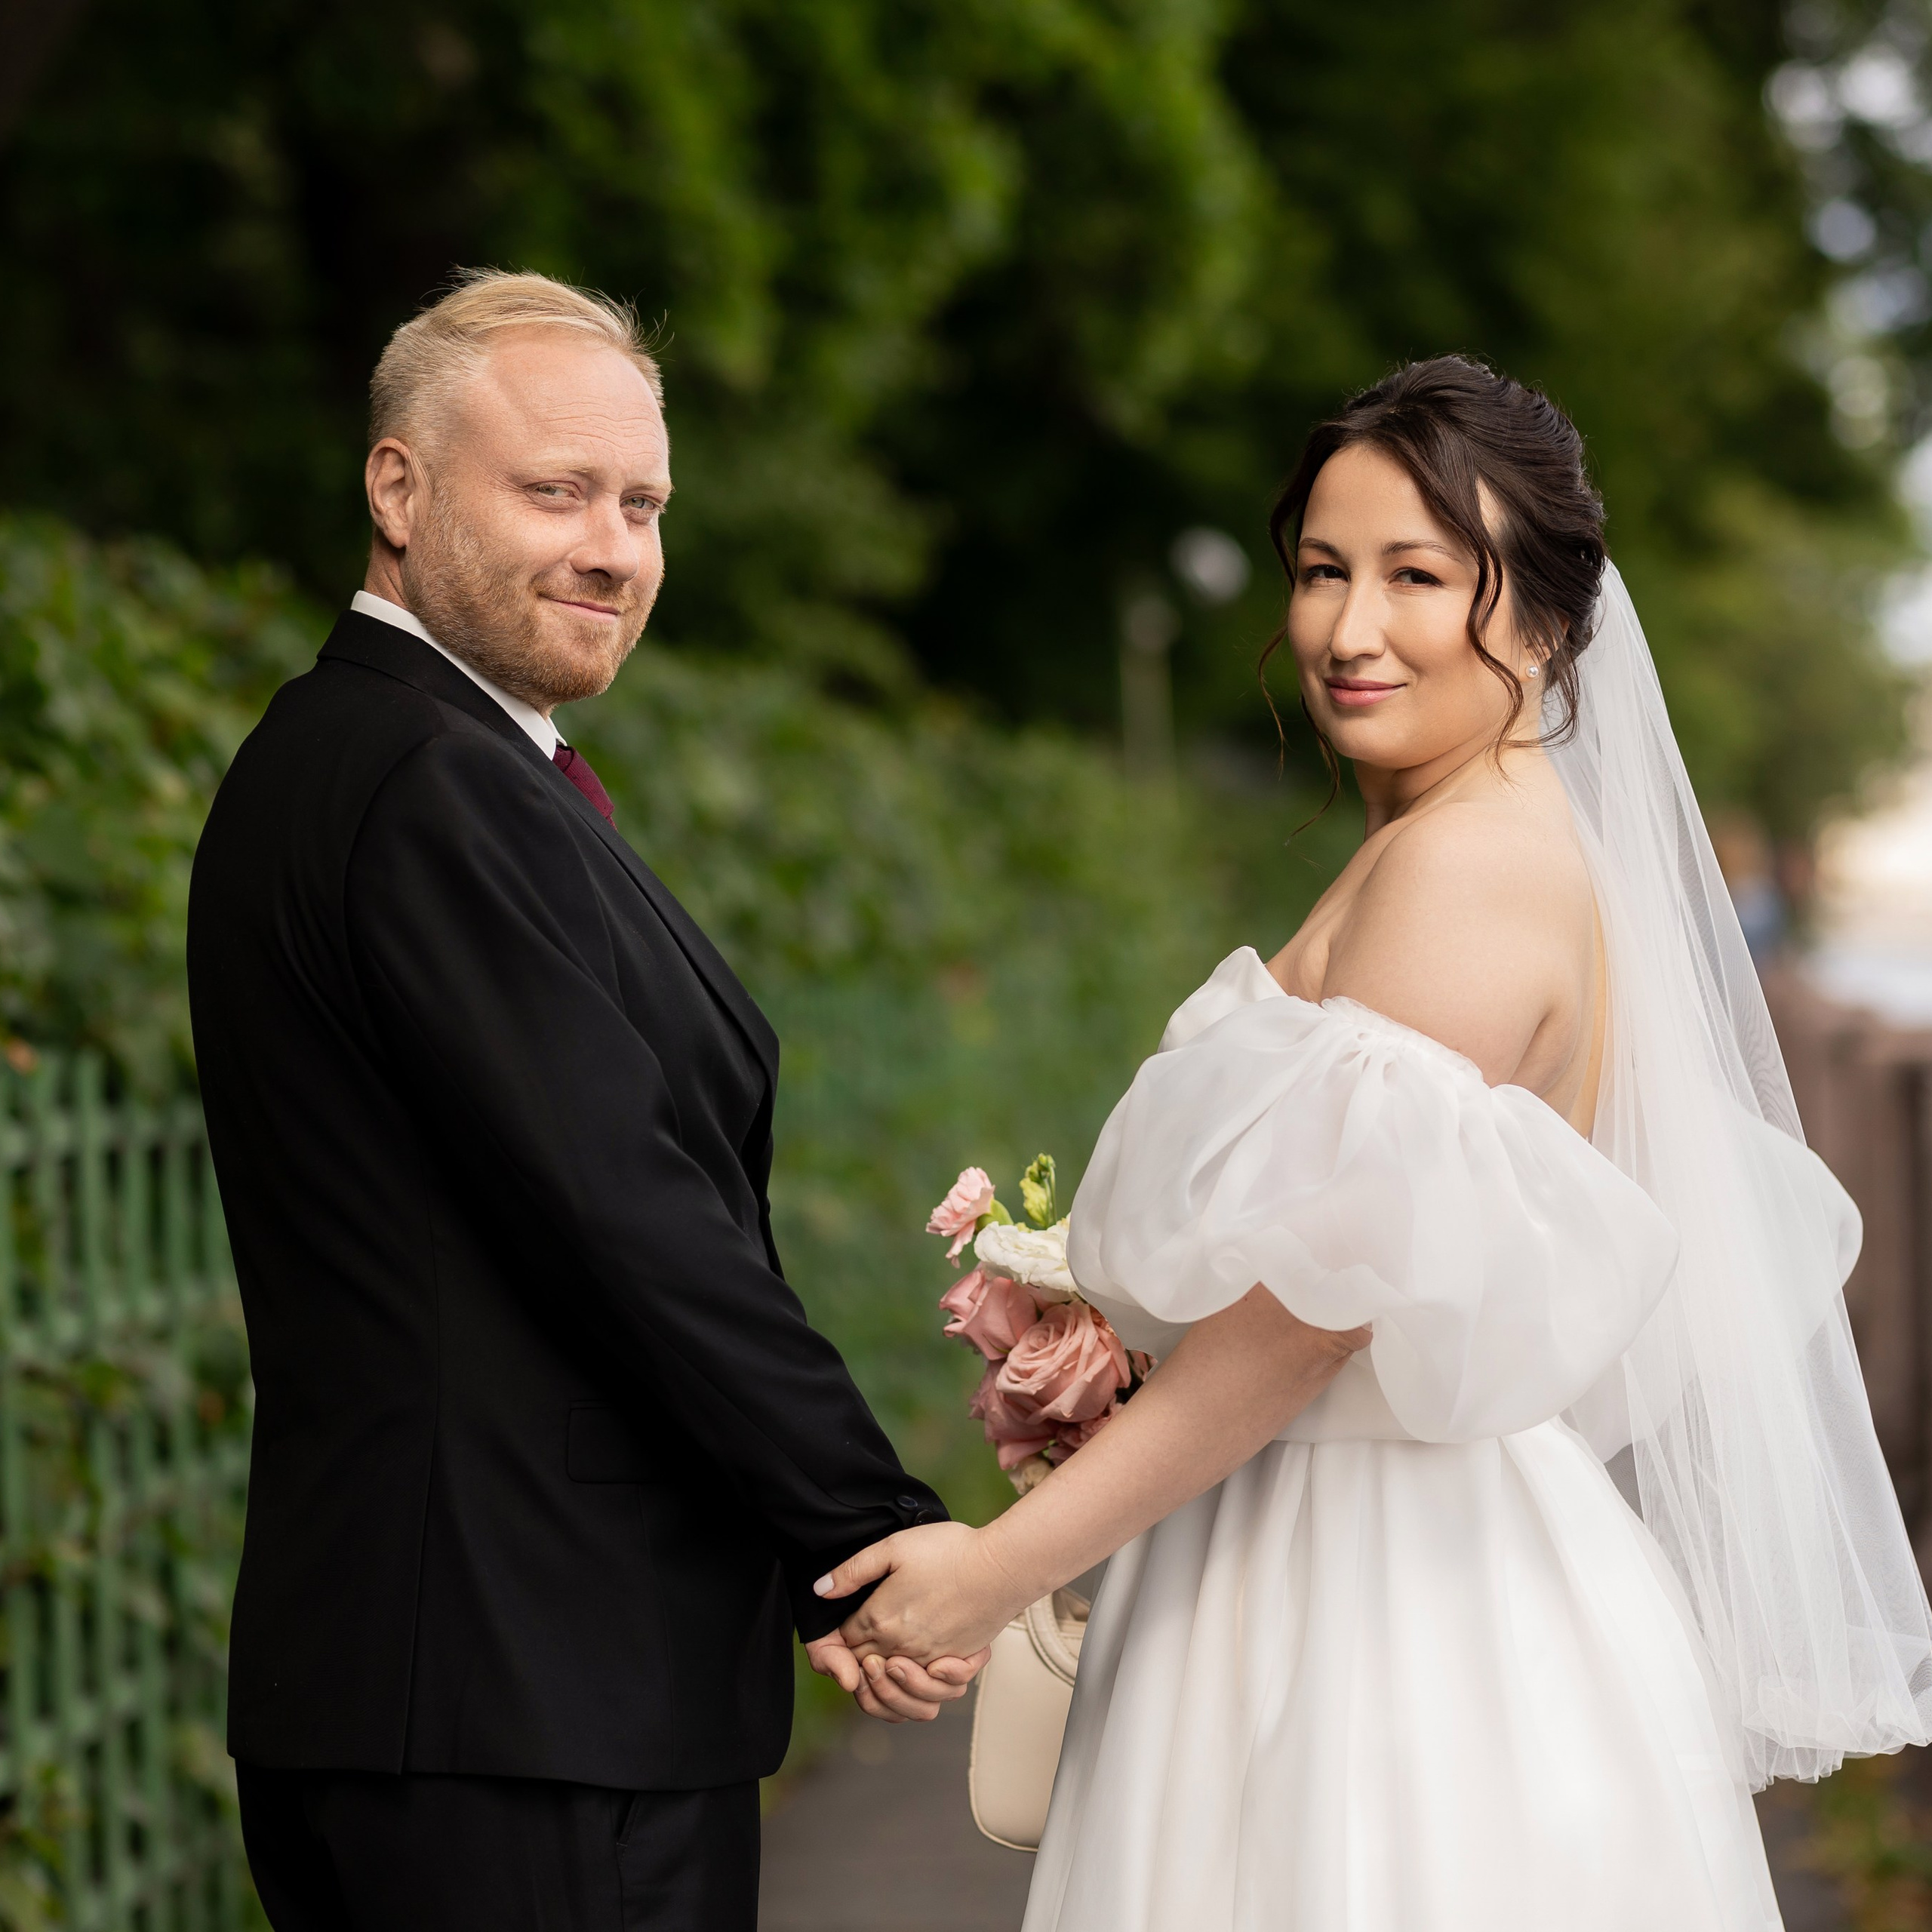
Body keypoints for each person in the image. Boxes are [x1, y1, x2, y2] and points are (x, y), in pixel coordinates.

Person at [820, 357, 1932, 1930]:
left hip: (1376, 1610)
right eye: (1320, 571)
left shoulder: (1465, 870)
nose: (1348, 630)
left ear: (1541, 618)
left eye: (1416, 575)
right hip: (1331, 1551)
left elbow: (1306, 1316)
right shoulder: (1443, 837)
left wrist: (998, 1564)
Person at [187, 269, 980, 1932]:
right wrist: (860, 1526)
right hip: (518, 1707)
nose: (614, 546)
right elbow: (623, 1211)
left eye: (642, 502)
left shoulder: (413, 758)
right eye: (554, 490)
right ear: (396, 489)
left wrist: (790, 1542)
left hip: (475, 1688)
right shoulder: (419, 782)